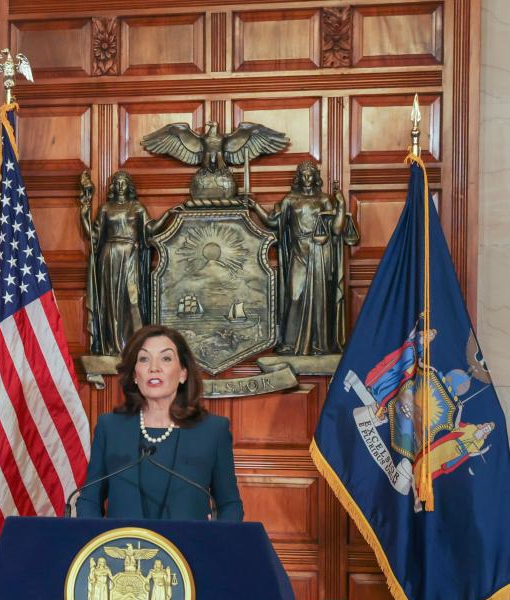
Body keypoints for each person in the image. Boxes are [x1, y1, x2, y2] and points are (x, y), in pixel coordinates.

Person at [75, 324, 243, 521]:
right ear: (135, 375)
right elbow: (89, 500)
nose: (154, 368)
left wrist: (213, 543)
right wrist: (99, 543)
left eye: (166, 358)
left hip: (188, 549)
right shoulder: (110, 427)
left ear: (183, 373)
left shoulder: (213, 431)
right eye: (144, 359)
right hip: (125, 549)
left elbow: (229, 504)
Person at [246, 161, 360, 355]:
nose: (307, 179)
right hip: (298, 252)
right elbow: (273, 222)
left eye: (310, 175)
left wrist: (340, 204)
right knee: (294, 295)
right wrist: (255, 206)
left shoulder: (324, 199)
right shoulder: (290, 199)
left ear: (316, 177)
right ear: (298, 178)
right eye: (304, 175)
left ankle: (320, 344)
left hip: (320, 252)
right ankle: (291, 344)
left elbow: (337, 229)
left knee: (320, 298)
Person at [81, 171, 174, 355]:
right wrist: (84, 215)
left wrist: (168, 215)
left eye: (123, 182)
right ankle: (111, 346)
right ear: (113, 187)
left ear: (129, 185)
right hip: (109, 257)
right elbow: (94, 237)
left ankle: (136, 346)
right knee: (111, 303)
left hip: (131, 256)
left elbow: (151, 229)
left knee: (133, 300)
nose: (120, 185)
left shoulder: (137, 207)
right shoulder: (106, 208)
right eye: (117, 182)